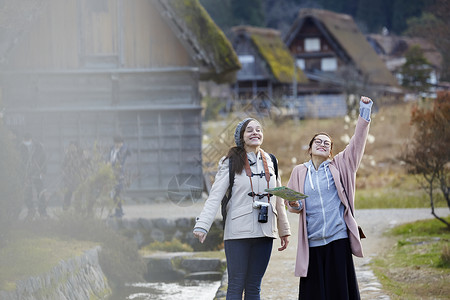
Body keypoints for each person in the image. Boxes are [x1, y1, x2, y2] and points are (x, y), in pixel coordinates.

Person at [286, 96, 373, 300]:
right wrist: (294, 204)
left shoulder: (341, 166)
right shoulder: (299, 171)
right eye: (318, 141)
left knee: (339, 293)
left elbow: (357, 143)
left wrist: (365, 111)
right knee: (314, 295)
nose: (322, 144)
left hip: (338, 238)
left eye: (327, 143)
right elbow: (294, 205)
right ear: (309, 149)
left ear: (331, 151)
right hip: (313, 242)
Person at [193, 118, 291, 300]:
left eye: (258, 129)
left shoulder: (271, 160)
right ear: (241, 136)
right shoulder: (230, 162)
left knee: (254, 286)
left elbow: (277, 198)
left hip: (265, 231)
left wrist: (284, 230)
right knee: (236, 284)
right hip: (238, 232)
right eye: (249, 130)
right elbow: (215, 196)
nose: (255, 133)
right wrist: (202, 225)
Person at [19, 132, 48, 219]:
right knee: (27, 193)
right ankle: (31, 210)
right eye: (25, 140)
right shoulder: (21, 147)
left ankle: (42, 212)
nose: (26, 141)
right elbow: (20, 161)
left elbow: (44, 160)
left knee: (41, 192)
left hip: (37, 173)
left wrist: (43, 172)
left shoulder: (39, 147)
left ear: (31, 139)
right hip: (26, 174)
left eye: (27, 140)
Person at [108, 135, 130, 218]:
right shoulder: (112, 148)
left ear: (121, 143)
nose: (117, 145)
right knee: (114, 194)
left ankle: (119, 212)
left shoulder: (124, 149)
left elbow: (128, 153)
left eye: (119, 143)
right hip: (111, 173)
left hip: (119, 174)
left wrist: (123, 146)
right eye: (116, 143)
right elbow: (109, 157)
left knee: (117, 193)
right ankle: (118, 211)